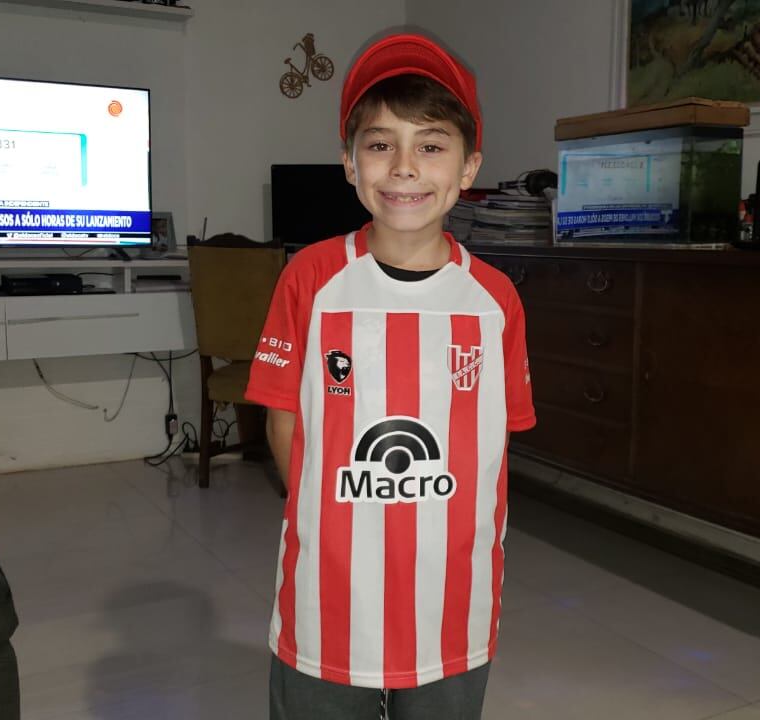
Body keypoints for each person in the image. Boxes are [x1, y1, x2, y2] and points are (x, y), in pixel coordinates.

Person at [245, 32, 536, 720]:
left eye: (431, 145)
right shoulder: (310, 278)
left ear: (469, 168)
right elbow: (282, 418)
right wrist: (331, 517)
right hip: (329, 593)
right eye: (380, 145)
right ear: (349, 164)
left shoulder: (495, 299)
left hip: (451, 597)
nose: (404, 166)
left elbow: (496, 441)